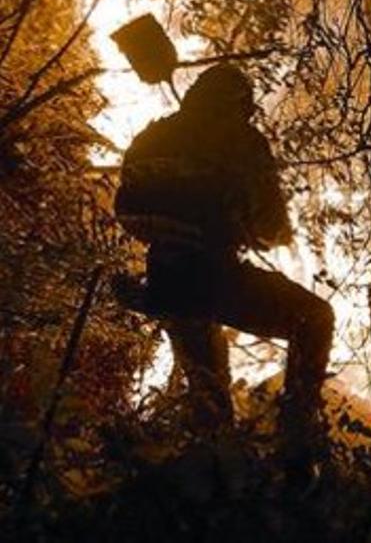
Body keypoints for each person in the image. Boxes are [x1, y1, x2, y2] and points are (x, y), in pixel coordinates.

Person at [114, 63, 334, 471]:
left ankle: (213, 495)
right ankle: (297, 444)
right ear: (239, 104)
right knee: (314, 317)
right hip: (217, 278)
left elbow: (126, 212)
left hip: (166, 281)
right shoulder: (242, 141)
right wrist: (250, 229)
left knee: (209, 404)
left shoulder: (150, 138)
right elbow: (271, 228)